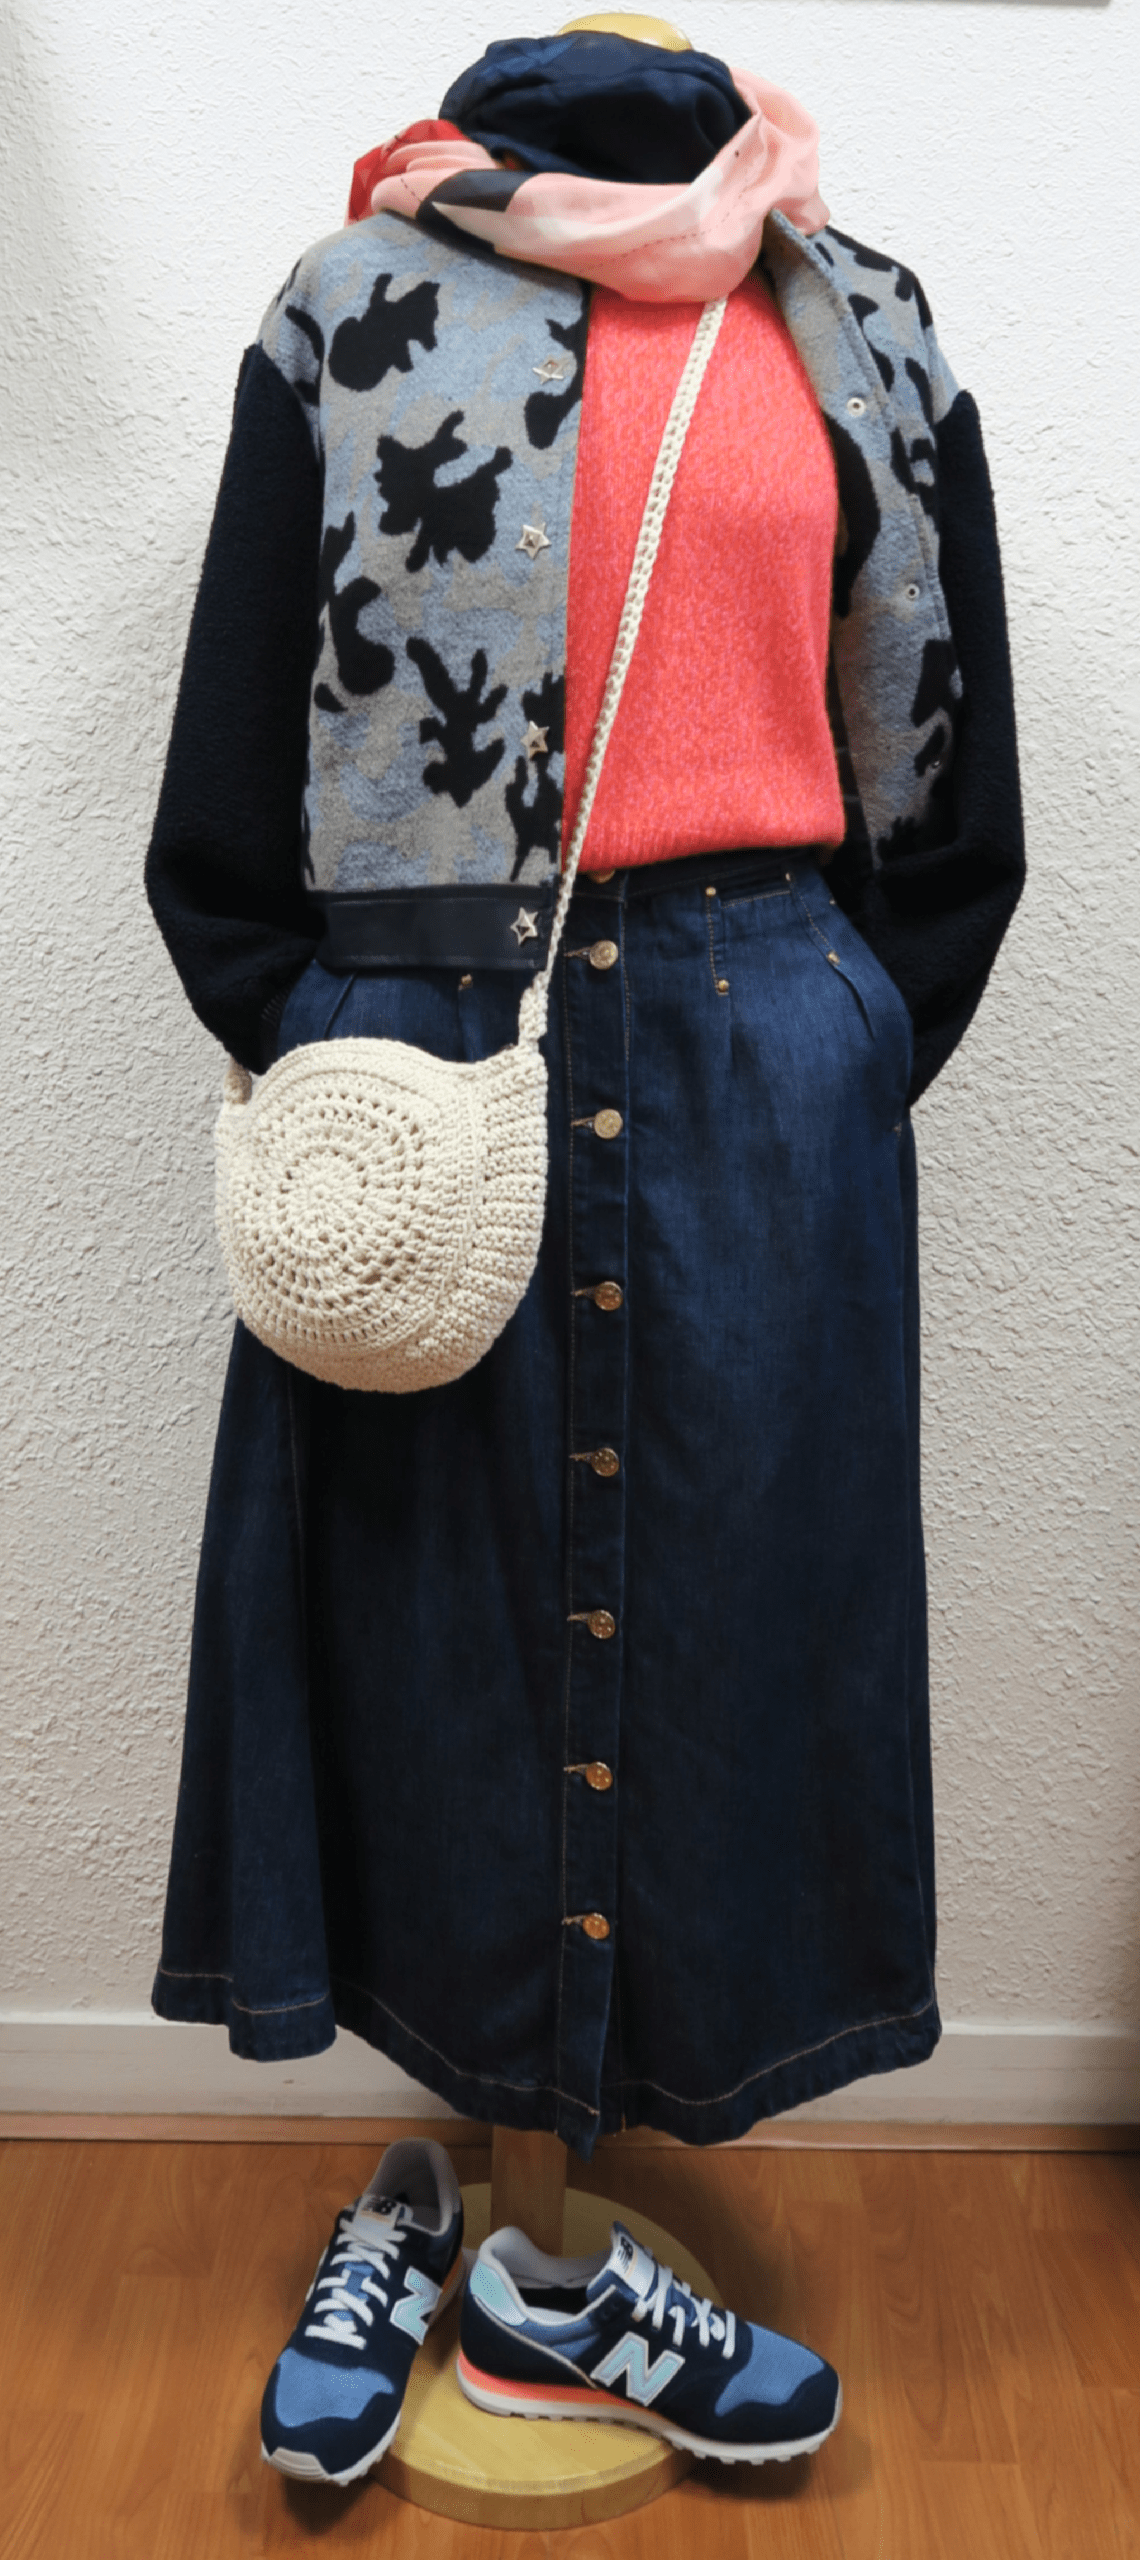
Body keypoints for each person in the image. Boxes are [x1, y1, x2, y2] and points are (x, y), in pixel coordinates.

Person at [144, 11, 1024, 2483]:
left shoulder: (865, 321)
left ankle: (552, 2275)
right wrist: (330, 1035)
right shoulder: (353, 307)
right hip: (430, 1059)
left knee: (733, 1623)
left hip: (767, 1063)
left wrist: (835, 1044)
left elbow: (954, 794)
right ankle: (464, 2208)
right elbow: (226, 772)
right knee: (428, 1623)